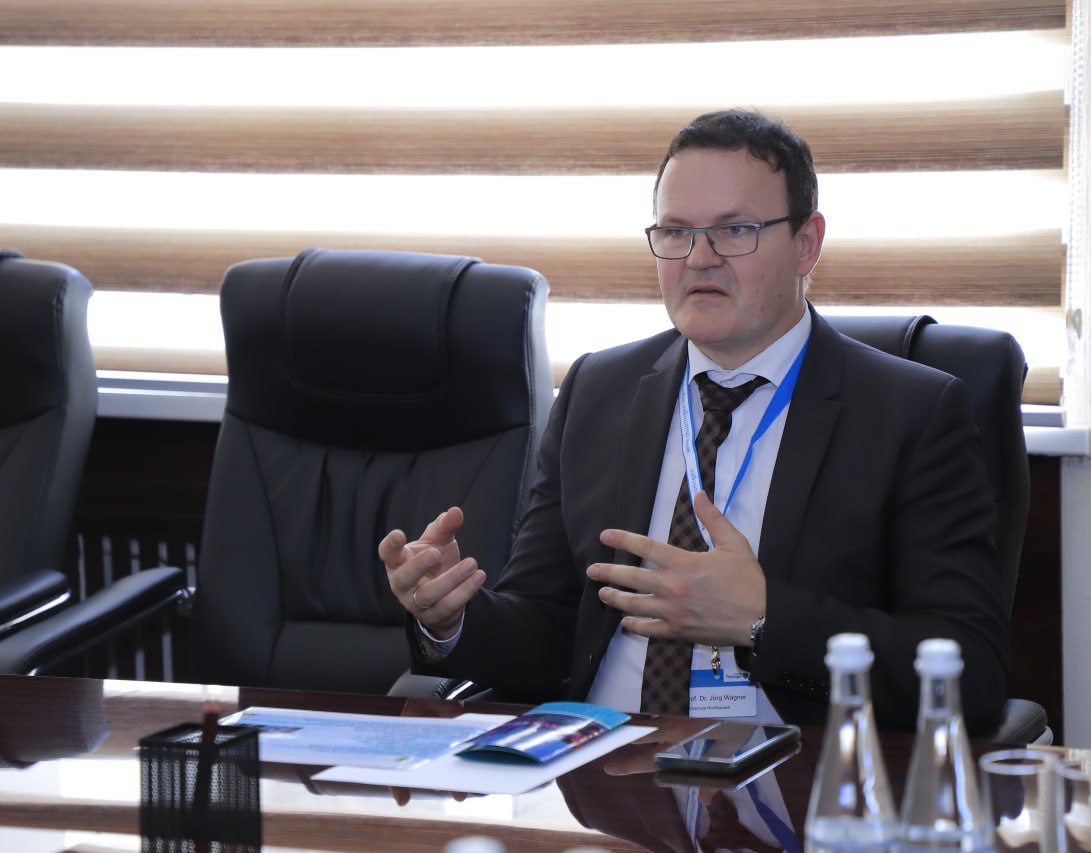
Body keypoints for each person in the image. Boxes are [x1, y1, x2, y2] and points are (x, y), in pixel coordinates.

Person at [381, 108, 1009, 731]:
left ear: (807, 244)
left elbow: (971, 673)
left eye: (735, 230)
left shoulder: (911, 414)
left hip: (785, 767)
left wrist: (761, 618)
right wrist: (451, 617)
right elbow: (547, 627)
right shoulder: (598, 389)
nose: (699, 258)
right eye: (676, 232)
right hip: (596, 757)